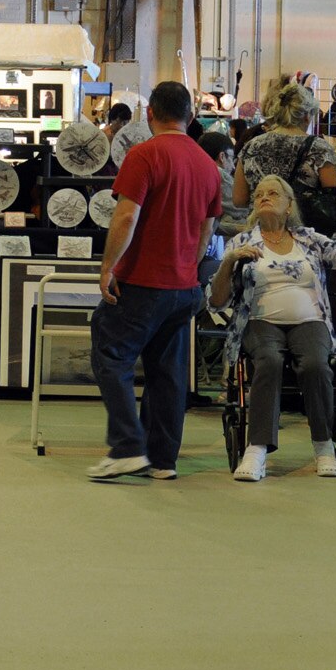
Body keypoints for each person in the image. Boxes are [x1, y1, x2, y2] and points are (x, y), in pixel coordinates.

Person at [87, 81, 222, 482]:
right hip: (184, 287)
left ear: (149, 114)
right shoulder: (207, 166)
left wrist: (108, 266)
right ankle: (163, 460)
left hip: (144, 281)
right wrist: (187, 270)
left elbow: (126, 217)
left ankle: (127, 447)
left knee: (111, 356)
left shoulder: (143, 155)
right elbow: (206, 230)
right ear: (191, 117)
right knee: (168, 373)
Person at [209, 175, 336, 481]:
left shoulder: (308, 238)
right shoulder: (241, 243)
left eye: (273, 193)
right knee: (268, 360)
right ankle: (256, 450)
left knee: (315, 366)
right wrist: (229, 262)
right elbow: (216, 301)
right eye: (258, 195)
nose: (263, 197)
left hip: (310, 320)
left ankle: (324, 447)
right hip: (260, 320)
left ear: (288, 205)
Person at [232, 77, 336, 235]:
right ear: (306, 116)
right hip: (304, 237)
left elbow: (239, 199)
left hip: (260, 234)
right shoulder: (319, 148)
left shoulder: (251, 146)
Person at [106, 102, 152, 167]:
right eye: (118, 121)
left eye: (125, 122)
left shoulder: (131, 135)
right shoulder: (104, 136)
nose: (122, 125)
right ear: (111, 120)